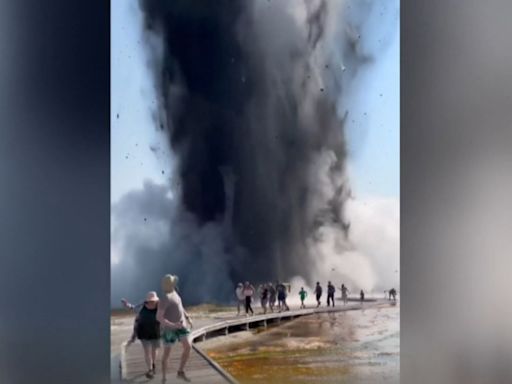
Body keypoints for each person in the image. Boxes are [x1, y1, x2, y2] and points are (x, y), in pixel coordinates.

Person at [157, 274, 194, 382]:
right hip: (169, 329)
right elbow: (159, 317)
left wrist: (187, 317)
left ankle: (180, 371)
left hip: (181, 325)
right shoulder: (164, 298)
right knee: (167, 353)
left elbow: (180, 306)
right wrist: (173, 325)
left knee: (188, 347)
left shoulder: (175, 292)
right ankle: (164, 378)